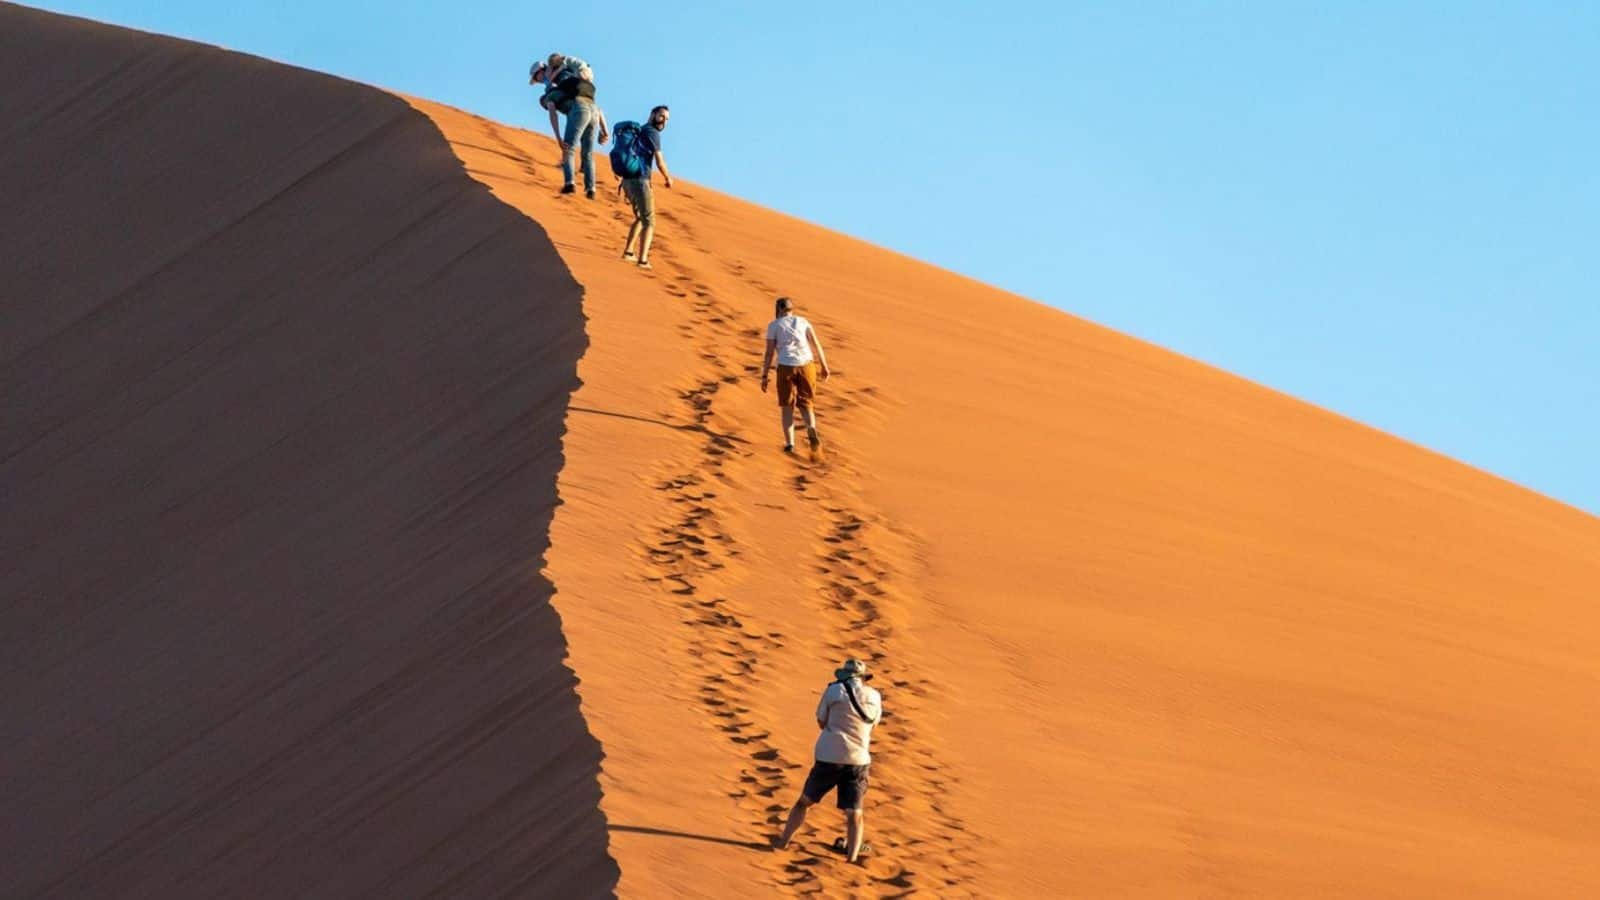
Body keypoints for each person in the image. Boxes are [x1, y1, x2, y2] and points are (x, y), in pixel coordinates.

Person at [772, 659, 882, 863]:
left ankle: (783, 842)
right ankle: (852, 858)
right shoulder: (874, 696)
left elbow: (821, 722)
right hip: (858, 759)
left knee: (804, 802)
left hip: (828, 756)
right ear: (863, 678)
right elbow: (872, 725)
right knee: (854, 813)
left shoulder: (833, 691)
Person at [530, 53, 608, 197]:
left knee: (568, 148)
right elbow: (597, 108)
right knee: (588, 153)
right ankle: (591, 190)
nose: (538, 80)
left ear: (541, 71)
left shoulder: (551, 94)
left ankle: (569, 184)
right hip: (592, 108)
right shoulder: (568, 80)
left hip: (580, 109)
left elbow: (553, 114)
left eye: (536, 77)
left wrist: (558, 138)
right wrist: (604, 130)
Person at [759, 296, 830, 453]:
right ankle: (811, 427)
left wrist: (764, 375)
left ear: (778, 310)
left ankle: (790, 444)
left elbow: (769, 353)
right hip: (807, 366)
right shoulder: (803, 321)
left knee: (787, 407)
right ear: (791, 309)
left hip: (786, 366)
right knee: (806, 404)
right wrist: (824, 366)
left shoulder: (774, 325)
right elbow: (816, 344)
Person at [618, 105, 673, 269]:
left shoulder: (639, 130)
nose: (664, 121)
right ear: (653, 114)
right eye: (662, 116)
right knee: (650, 220)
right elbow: (659, 160)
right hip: (639, 180)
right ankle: (642, 260)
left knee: (642, 217)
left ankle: (628, 252)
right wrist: (667, 177)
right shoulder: (652, 133)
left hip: (627, 180)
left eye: (667, 119)